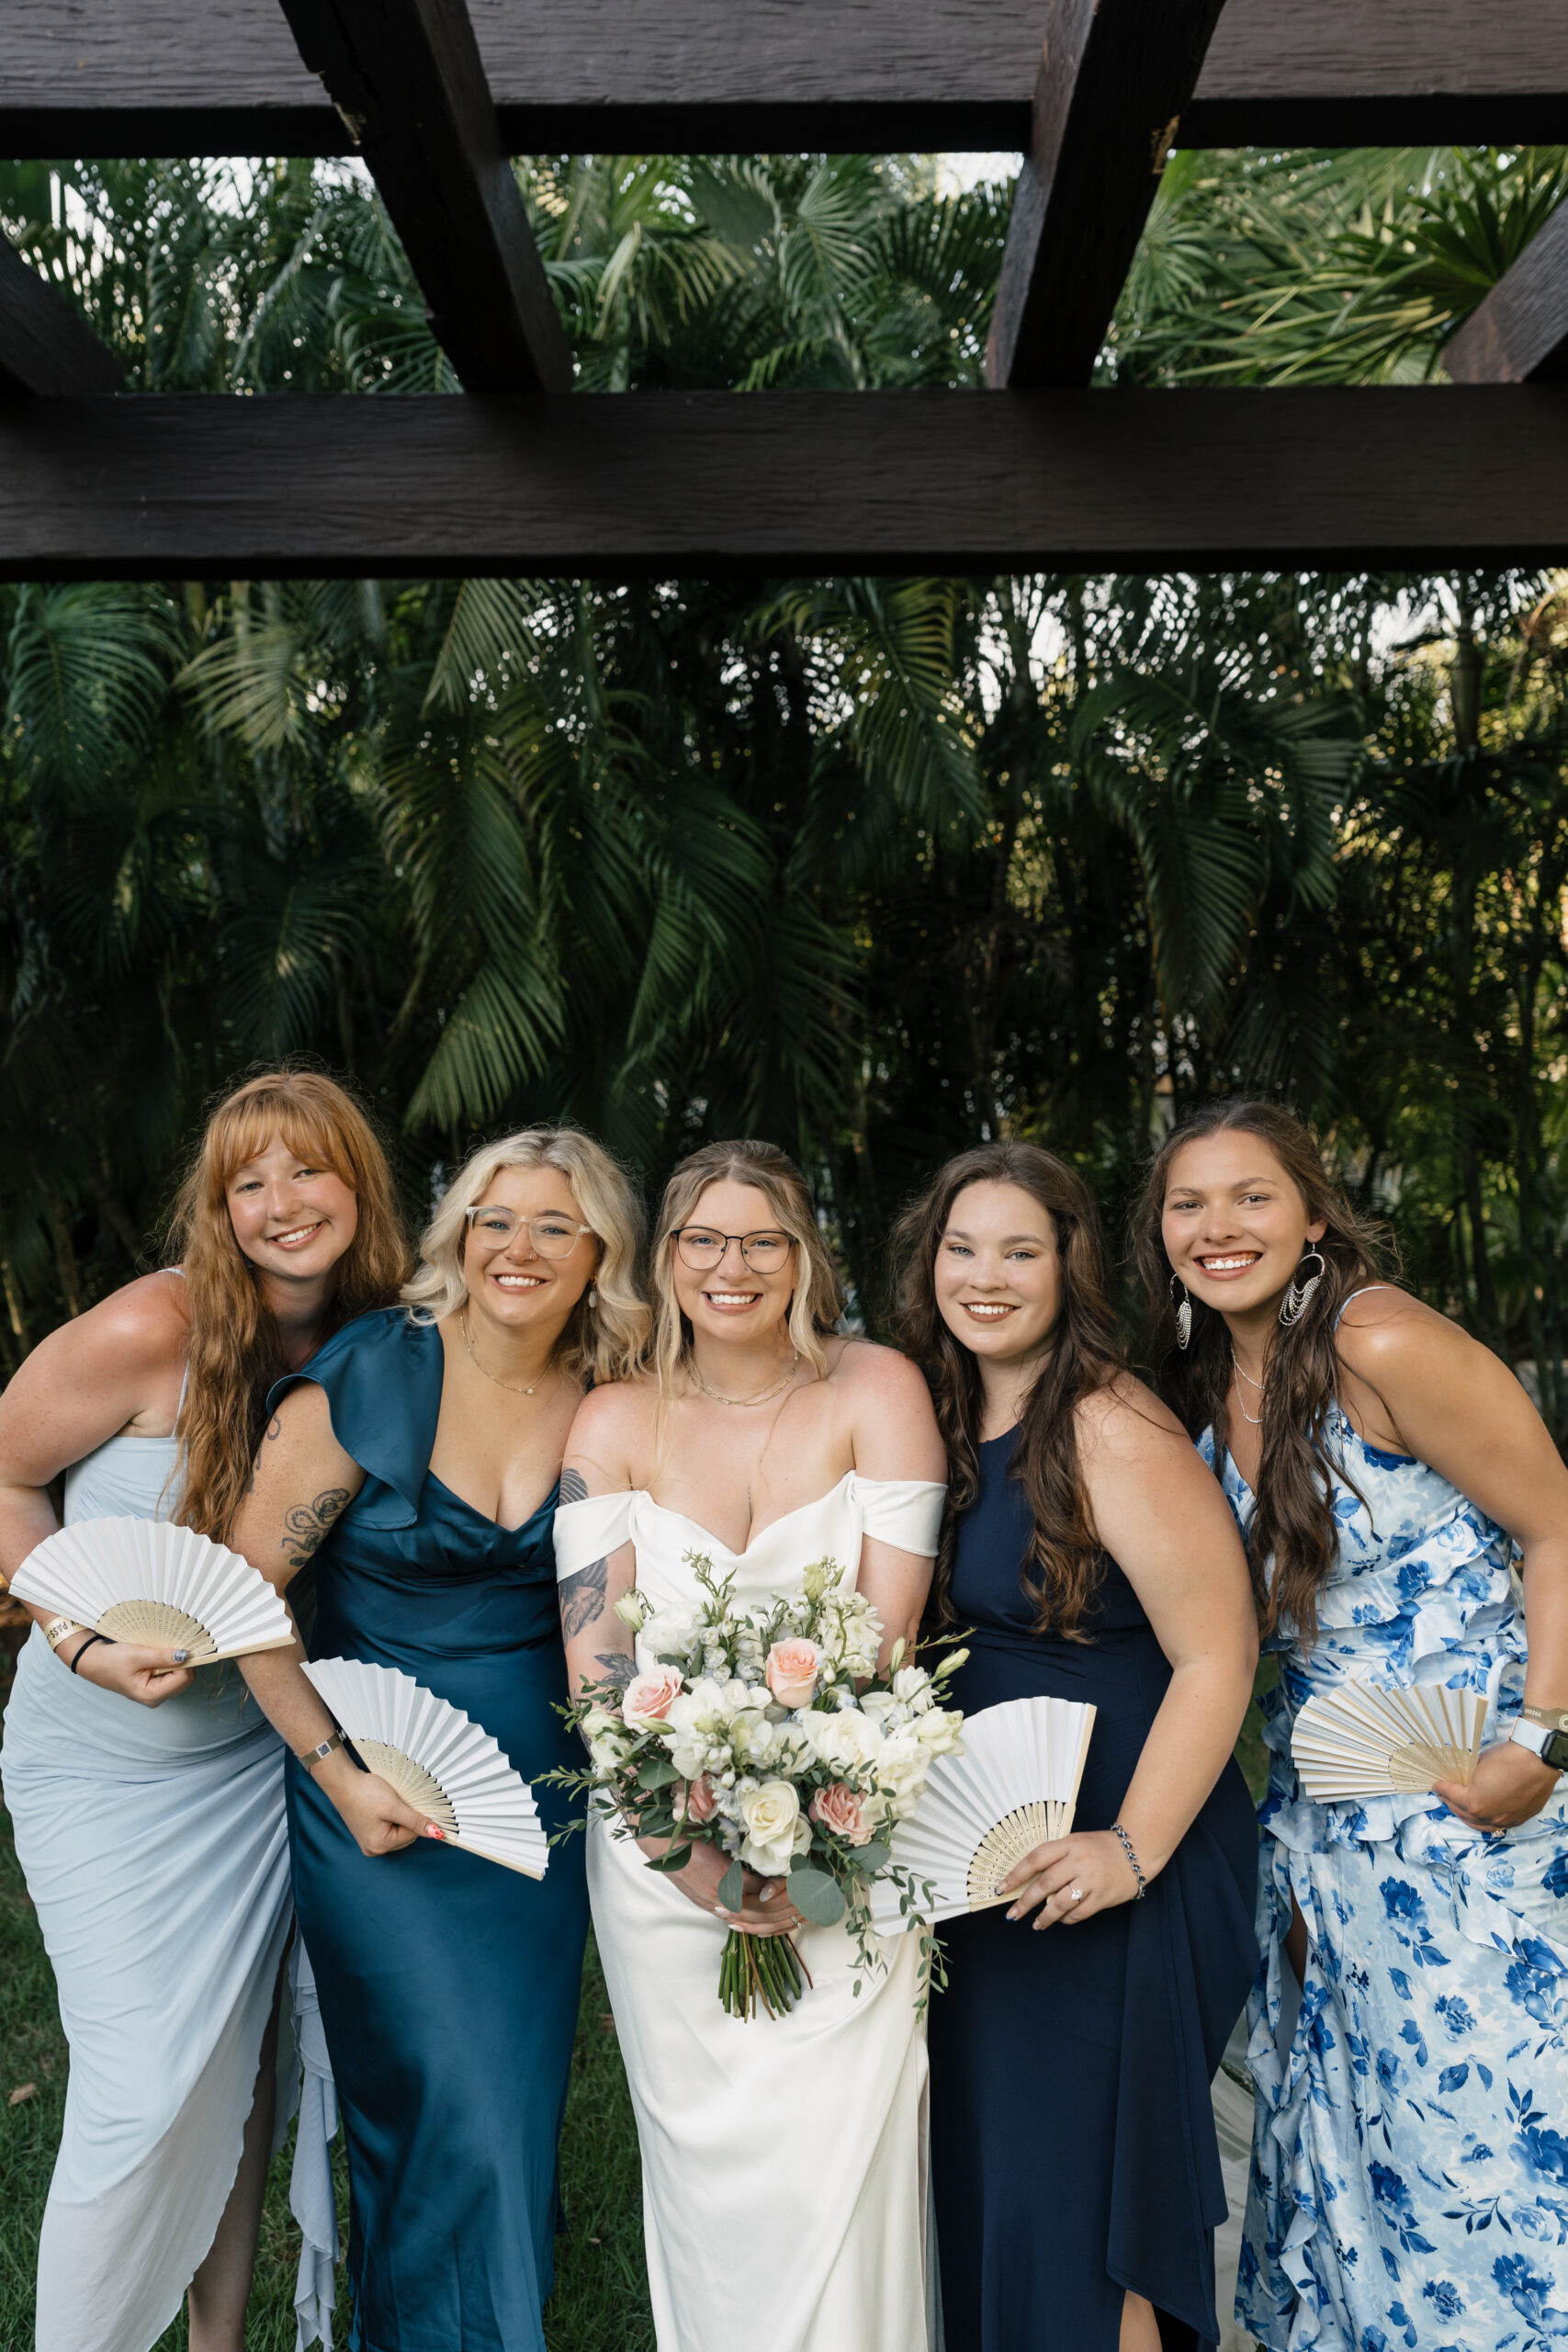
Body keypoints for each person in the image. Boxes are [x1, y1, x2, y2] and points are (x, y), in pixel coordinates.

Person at [1137, 1097, 1568, 2352]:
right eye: (1188, 1203)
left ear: (1314, 1213)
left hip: (1480, 1796)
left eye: (1251, 1197)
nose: (1219, 1228)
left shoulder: (1380, 1338)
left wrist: (1541, 1742)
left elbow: (1557, 1526)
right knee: (1360, 2123)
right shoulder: (1207, 1380)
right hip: (1328, 1817)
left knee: (1483, 2130)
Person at [0, 1069, 409, 2352]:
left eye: (308, 1170)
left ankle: (215, 2345)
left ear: (360, 1185)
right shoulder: (151, 1329)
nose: (281, 1204)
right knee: (139, 2090)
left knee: (236, 2087)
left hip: (253, 1766)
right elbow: (3, 1479)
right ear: (220, 1207)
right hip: (101, 1765)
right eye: (249, 1182)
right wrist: (77, 1641)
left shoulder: (387, 1346)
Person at [230, 1125, 646, 2352]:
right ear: (458, 1234)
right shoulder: (371, 1374)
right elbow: (250, 1598)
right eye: (494, 1220)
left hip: (538, 1805)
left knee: (507, 2121)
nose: (517, 1248)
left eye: (553, 1226)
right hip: (376, 1798)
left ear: (600, 1254)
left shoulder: (609, 1388)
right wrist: (337, 1774)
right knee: (441, 2106)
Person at [553, 1137, 948, 2352]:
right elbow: (600, 1671)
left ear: (805, 1255)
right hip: (660, 1853)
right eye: (705, 1240)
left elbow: (887, 1646)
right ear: (665, 1260)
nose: (735, 1267)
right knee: (710, 2183)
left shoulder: (875, 1389)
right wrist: (693, 1855)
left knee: (849, 2162)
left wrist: (817, 1851)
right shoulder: (610, 1418)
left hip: (852, 1844)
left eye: (763, 1239)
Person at [891, 1141, 1259, 2352]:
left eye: (1019, 1251)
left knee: (1086, 2217)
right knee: (1000, 2192)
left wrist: (1129, 1851)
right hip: (987, 1865)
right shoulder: (926, 1413)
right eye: (962, 1247)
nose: (984, 1277)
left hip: (1122, 1855)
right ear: (927, 1260)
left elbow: (1219, 1656)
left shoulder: (1108, 1419)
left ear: (1067, 1269)